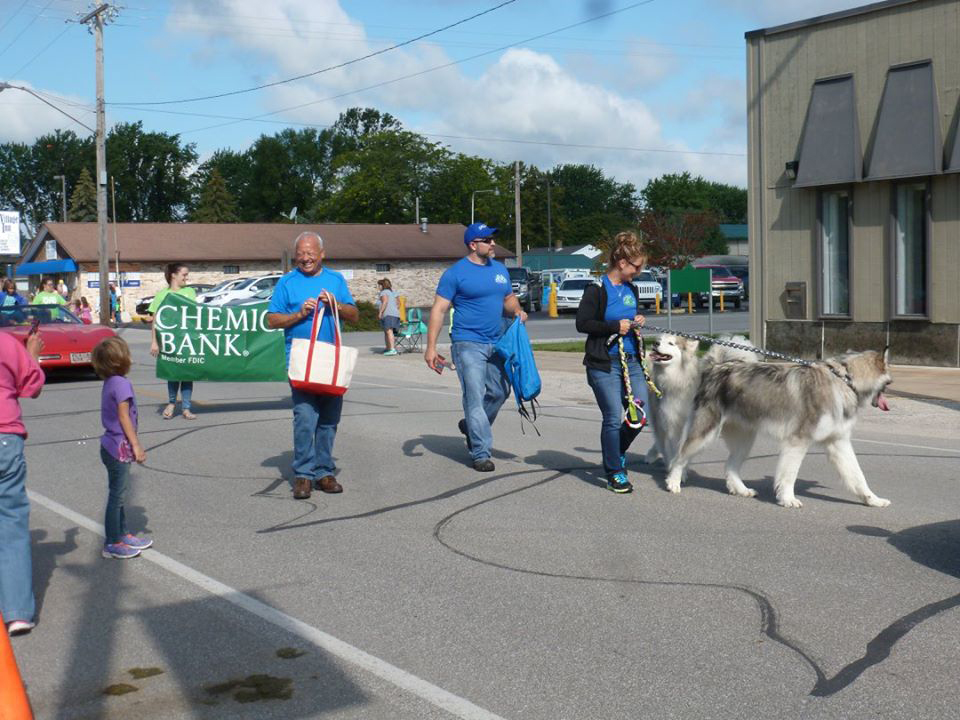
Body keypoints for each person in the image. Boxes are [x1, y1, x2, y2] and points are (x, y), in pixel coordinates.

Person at [424, 222, 526, 472]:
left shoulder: (500, 270)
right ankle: (480, 451)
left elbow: (508, 299)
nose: (493, 244)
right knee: (474, 397)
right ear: (473, 244)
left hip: (497, 341)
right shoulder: (455, 273)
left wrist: (518, 311)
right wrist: (431, 347)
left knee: (500, 392)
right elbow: (438, 310)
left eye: (493, 239)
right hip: (467, 343)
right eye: (488, 240)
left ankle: (472, 427)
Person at [267, 232, 359, 500]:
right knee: (306, 418)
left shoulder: (336, 280)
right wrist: (299, 314)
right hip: (301, 361)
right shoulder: (287, 282)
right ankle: (304, 475)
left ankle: (324, 472)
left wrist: (337, 305)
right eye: (301, 253)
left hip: (331, 362)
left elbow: (354, 315)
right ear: (295, 255)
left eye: (311, 253)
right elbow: (271, 320)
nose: (306, 258)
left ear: (322, 254)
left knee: (329, 420)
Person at [575, 231, 649, 494]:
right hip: (604, 363)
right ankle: (614, 471)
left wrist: (638, 319)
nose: (638, 272)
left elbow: (629, 316)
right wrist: (613, 326)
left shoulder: (631, 289)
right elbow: (582, 323)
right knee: (611, 417)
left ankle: (615, 451)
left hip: (632, 362)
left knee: (640, 415)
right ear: (622, 263)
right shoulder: (596, 290)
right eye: (636, 266)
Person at [0, 329, 44, 636]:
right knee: (12, 523)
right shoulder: (4, 343)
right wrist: (32, 353)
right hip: (5, 436)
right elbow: (32, 385)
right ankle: (17, 612)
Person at [92, 337, 151, 559]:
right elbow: (123, 416)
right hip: (119, 447)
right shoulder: (122, 383)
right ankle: (112, 542)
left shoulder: (110, 381)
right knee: (117, 497)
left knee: (119, 493)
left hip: (109, 446)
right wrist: (136, 446)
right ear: (120, 360)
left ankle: (123, 533)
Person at [149, 263, 199, 419]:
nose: (186, 278)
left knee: (187, 374)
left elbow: (196, 313)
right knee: (172, 373)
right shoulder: (161, 295)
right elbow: (155, 320)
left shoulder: (189, 292)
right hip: (169, 341)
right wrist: (154, 342)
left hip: (187, 339)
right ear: (173, 275)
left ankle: (186, 408)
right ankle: (171, 403)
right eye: (184, 275)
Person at [377, 278, 401, 356]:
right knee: (387, 331)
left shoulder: (383, 292)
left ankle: (392, 349)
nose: (378, 287)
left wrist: (380, 312)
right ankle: (388, 348)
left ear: (382, 286)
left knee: (389, 331)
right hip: (395, 314)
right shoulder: (392, 292)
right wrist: (394, 309)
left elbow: (385, 302)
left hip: (388, 314)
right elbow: (399, 303)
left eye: (379, 285)